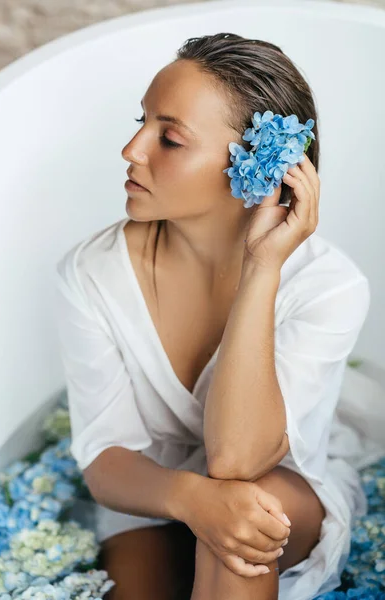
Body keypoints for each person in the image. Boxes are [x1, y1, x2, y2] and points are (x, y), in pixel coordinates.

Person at [54, 34, 375, 600]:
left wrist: (261, 269)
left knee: (248, 509)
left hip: (283, 492)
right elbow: (105, 460)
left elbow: (238, 457)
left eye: (170, 138)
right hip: (152, 495)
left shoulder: (329, 287)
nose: (132, 149)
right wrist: (191, 498)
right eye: (142, 121)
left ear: (261, 165)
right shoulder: (93, 272)